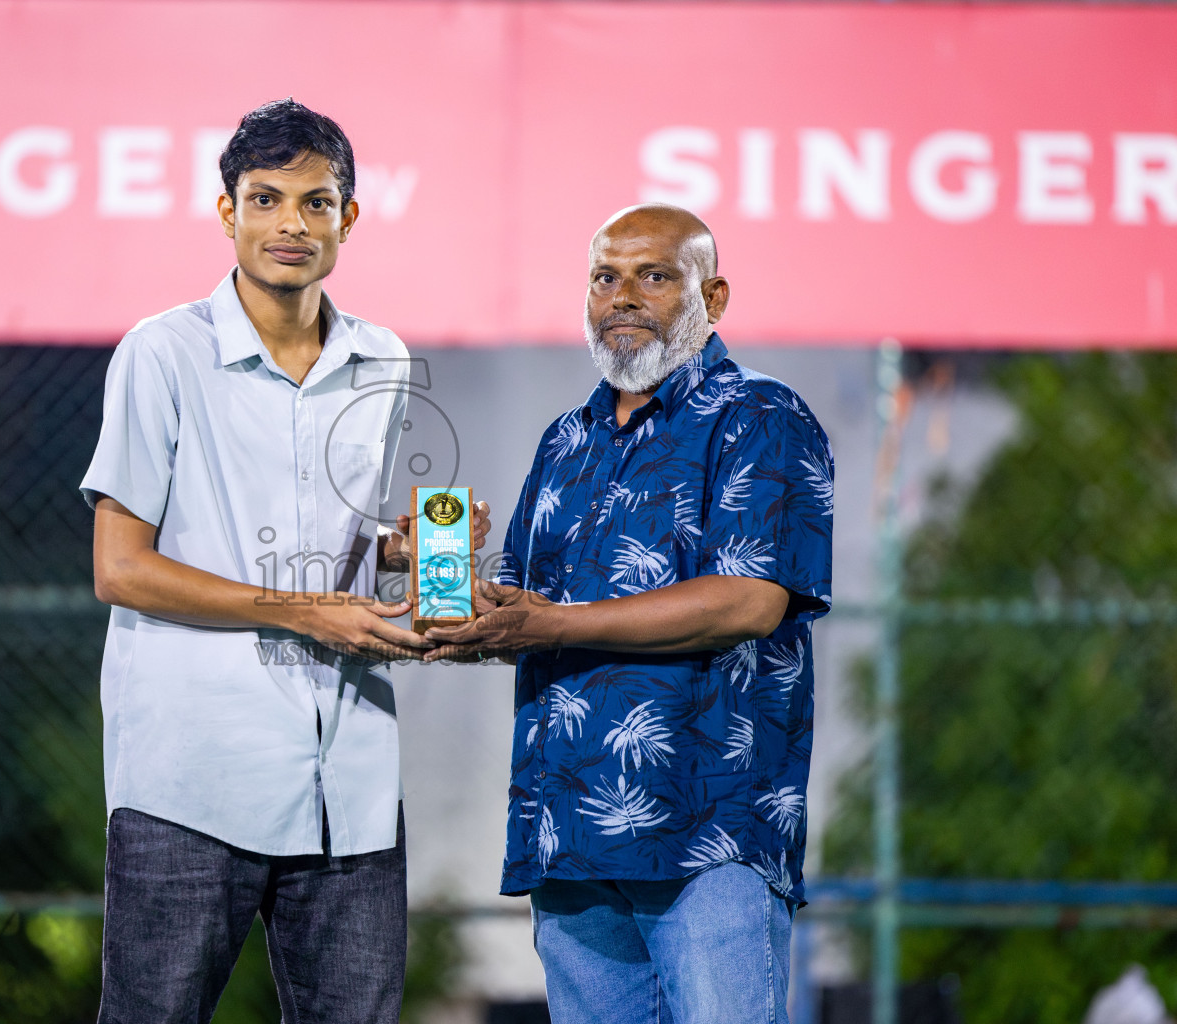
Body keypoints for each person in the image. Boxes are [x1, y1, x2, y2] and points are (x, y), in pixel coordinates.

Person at [80, 98, 488, 1024]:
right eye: (265, 200)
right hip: (190, 776)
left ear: (350, 218)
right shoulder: (162, 353)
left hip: (349, 778)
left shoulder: (381, 356)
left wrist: (413, 556)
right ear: (226, 212)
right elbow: (121, 569)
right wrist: (306, 612)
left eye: (316, 202)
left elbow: (342, 554)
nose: (290, 225)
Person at [424, 204, 833, 1023]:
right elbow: (526, 607)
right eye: (605, 277)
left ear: (712, 298)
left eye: (654, 276)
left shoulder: (760, 416)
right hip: (568, 834)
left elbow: (750, 599)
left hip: (710, 835)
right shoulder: (565, 442)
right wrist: (439, 582)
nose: (622, 297)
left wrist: (549, 625)